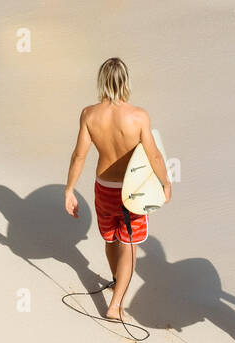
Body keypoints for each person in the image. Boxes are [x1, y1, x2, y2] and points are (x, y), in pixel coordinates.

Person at [64, 57, 172, 321]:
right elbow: (154, 155)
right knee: (130, 245)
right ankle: (115, 304)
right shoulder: (138, 116)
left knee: (111, 238)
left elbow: (79, 155)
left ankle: (116, 281)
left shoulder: (89, 114)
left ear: (101, 81)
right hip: (132, 192)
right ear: (126, 81)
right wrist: (165, 183)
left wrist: (70, 190)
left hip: (104, 188)